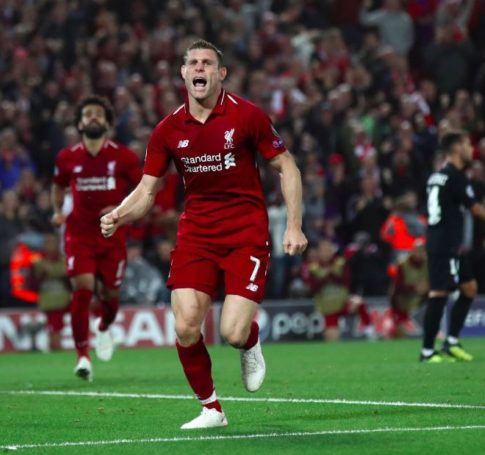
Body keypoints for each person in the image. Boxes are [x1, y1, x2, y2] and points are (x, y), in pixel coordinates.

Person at [101, 40, 307, 429]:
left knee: (231, 331)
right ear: (183, 73)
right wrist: (119, 215)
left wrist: (294, 225)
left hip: (245, 233)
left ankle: (249, 341)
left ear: (220, 73)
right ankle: (211, 408)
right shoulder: (167, 129)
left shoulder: (247, 115)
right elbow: (147, 190)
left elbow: (288, 166)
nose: (199, 68)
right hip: (196, 234)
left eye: (207, 63)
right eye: (193, 63)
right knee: (185, 325)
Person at [52, 95, 142, 380]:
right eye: (87, 114)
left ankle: (103, 327)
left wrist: (120, 209)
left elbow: (144, 189)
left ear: (107, 123)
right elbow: (58, 185)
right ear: (79, 124)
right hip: (79, 234)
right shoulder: (67, 157)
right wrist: (58, 211)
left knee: (111, 296)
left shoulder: (124, 156)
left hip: (112, 234)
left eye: (98, 114)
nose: (93, 117)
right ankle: (82, 357)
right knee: (83, 289)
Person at [421, 130, 485, 363]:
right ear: (457, 148)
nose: (471, 149)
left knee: (469, 288)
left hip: (450, 244)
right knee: (439, 292)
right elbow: (475, 209)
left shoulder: (437, 176)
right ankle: (427, 351)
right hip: (444, 245)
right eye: (467, 144)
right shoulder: (456, 177)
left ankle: (451, 342)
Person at [306, 239, 374, 342]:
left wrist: (331, 275)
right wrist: (325, 278)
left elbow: (347, 281)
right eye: (323, 251)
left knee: (358, 302)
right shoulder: (313, 268)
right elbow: (312, 288)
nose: (326, 253)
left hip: (342, 302)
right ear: (318, 253)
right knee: (332, 338)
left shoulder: (340, 263)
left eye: (328, 250)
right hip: (328, 307)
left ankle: (370, 330)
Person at [389, 238, 428, 338]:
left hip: (421, 302)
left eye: (421, 251)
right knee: (399, 333)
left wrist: (426, 287)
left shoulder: (428, 264)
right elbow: (398, 286)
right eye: (417, 251)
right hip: (401, 301)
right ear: (412, 251)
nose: (419, 254)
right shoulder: (402, 263)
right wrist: (414, 288)